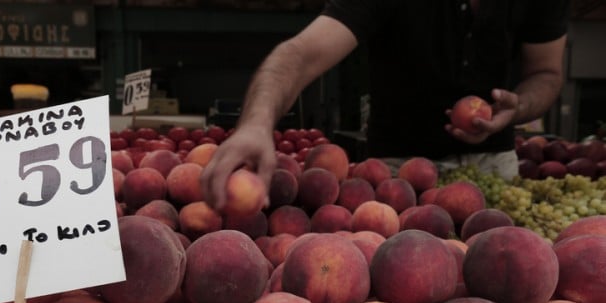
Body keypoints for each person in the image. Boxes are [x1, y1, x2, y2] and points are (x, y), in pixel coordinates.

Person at [200, 0, 570, 211]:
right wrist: (255, 124)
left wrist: (516, 108)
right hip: (395, 173)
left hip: (493, 166)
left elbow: (547, 73)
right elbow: (300, 55)